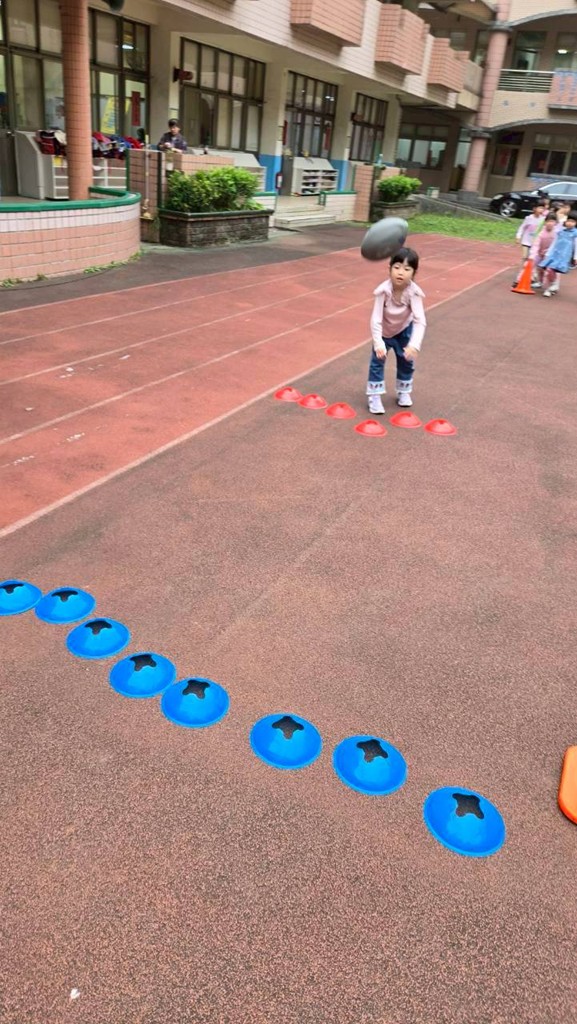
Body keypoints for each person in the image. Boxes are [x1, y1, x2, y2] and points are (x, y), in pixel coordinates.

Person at [367, 247, 426, 413]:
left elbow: (420, 320)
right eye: (397, 267)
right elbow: (376, 318)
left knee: (406, 361)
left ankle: (404, 391)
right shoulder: (383, 291)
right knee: (377, 363)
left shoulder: (414, 292)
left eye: (407, 269)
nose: (401, 272)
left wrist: (414, 345)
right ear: (390, 268)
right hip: (384, 331)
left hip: (404, 330)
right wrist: (378, 343)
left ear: (414, 273)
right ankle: (374, 396)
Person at [539, 209, 577, 297]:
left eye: (573, 222)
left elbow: (576, 246)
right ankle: (552, 285)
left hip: (564, 256)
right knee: (549, 270)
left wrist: (575, 257)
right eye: (569, 220)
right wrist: (548, 253)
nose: (570, 223)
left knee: (552, 270)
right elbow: (554, 243)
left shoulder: (575, 234)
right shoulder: (560, 231)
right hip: (554, 254)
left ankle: (551, 286)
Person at [513, 202, 544, 285]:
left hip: (535, 243)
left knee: (532, 259)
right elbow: (522, 227)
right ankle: (520, 276)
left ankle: (532, 276)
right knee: (524, 257)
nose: (541, 210)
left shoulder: (543, 219)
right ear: (534, 209)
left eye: (542, 208)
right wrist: (518, 236)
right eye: (539, 208)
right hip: (526, 241)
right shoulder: (529, 218)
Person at [530, 213, 559, 289]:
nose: (550, 223)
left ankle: (553, 284)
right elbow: (536, 244)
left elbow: (556, 245)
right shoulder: (542, 233)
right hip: (540, 254)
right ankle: (540, 282)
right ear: (545, 222)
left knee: (550, 270)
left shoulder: (556, 233)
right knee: (539, 268)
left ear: (556, 223)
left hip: (551, 256)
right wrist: (533, 254)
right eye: (548, 221)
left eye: (552, 221)